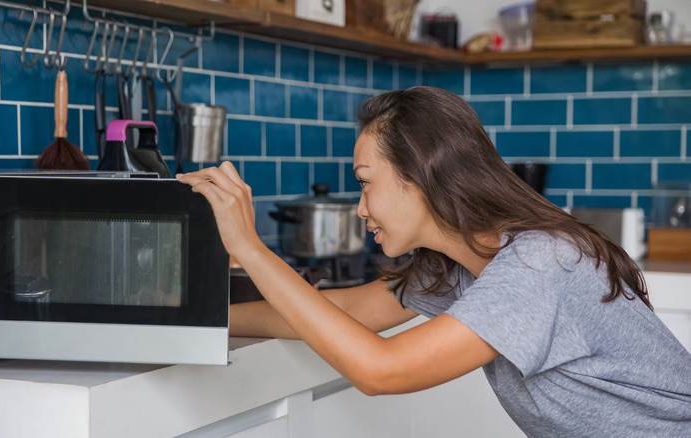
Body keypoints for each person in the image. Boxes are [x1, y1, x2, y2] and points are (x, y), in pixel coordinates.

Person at [176, 86, 691, 437]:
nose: (360, 208)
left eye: (364, 182)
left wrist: (250, 248)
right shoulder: (461, 262)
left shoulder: (538, 265)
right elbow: (350, 312)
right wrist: (198, 320)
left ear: (420, 178)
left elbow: (382, 371)